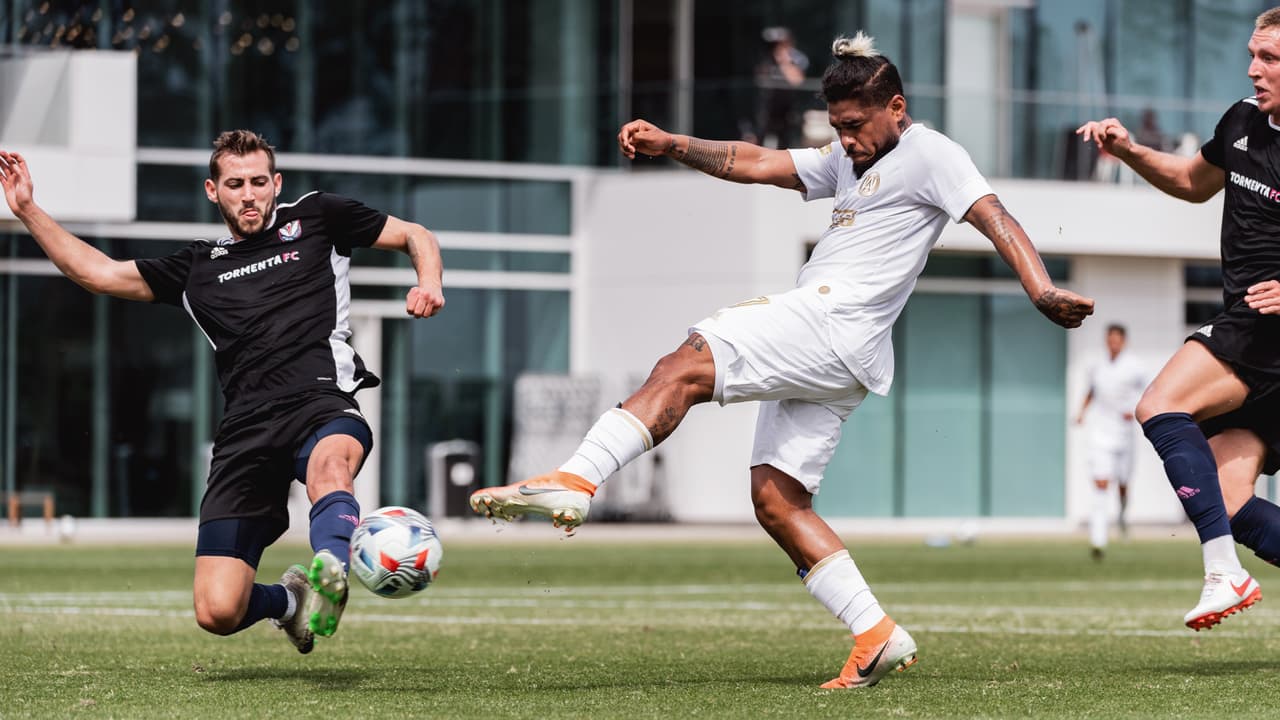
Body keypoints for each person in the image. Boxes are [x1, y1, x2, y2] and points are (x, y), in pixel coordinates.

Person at [471, 32, 1093, 689]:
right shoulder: (851, 161)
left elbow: (993, 215)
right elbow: (756, 162)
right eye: (838, 127)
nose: (846, 140)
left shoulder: (931, 153)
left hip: (831, 321)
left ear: (897, 108)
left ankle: (577, 480)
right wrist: (673, 145)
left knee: (683, 363)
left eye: (855, 126)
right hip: (845, 354)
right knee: (777, 500)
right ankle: (876, 635)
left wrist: (1041, 288)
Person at [0, 130, 445, 653]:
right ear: (214, 191)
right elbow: (98, 273)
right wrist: (27, 209)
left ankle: (332, 566)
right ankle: (291, 602)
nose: (249, 193)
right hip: (245, 432)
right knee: (217, 610)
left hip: (321, 401)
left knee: (331, 467)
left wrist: (429, 280)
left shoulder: (320, 217)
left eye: (259, 181)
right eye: (235, 183)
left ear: (276, 183)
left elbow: (416, 234)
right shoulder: (195, 267)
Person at [1076, 6, 1280, 631]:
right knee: (1233, 500)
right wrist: (1131, 152)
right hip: (1253, 335)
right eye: (1252, 53)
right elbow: (1194, 181)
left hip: (1262, 334)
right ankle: (1227, 562)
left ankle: (1223, 571)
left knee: (1159, 406)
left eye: (1269, 58)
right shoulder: (1242, 122)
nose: (1253, 68)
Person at [1074, 324, 1147, 559]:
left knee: (1123, 484)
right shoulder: (1097, 366)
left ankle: (1123, 518)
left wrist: (1134, 410)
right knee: (1101, 483)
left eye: (1117, 340)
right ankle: (1098, 539)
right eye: (1109, 340)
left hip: (1124, 434)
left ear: (1123, 341)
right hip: (1101, 432)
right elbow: (1091, 391)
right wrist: (1081, 413)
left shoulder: (1135, 367)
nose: (1113, 343)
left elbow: (1147, 394)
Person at [751, 27, 810, 149]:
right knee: (760, 139)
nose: (776, 47)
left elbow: (796, 81)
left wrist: (784, 61)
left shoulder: (797, 58)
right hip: (768, 108)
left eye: (779, 43)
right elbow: (759, 78)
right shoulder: (766, 58)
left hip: (788, 110)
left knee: (785, 144)